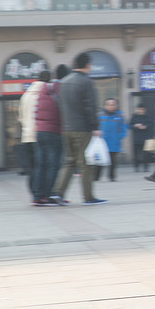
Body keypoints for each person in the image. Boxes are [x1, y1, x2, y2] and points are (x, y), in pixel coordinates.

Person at [52, 52, 107, 205]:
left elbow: (59, 104)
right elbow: (89, 107)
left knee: (69, 161)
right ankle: (88, 197)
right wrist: (95, 126)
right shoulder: (86, 82)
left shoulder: (64, 82)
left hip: (66, 128)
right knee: (85, 163)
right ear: (88, 65)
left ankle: (58, 192)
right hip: (82, 128)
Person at [31, 70, 63, 206]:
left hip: (40, 131)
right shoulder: (59, 89)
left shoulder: (41, 91)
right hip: (53, 131)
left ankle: (38, 196)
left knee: (40, 165)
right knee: (52, 165)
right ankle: (49, 195)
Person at [17, 75, 44, 187]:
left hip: (26, 137)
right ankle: (39, 194)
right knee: (40, 167)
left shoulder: (25, 96)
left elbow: (20, 117)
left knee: (31, 168)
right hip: (38, 135)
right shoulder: (42, 95)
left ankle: (34, 194)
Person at [96, 98, 126, 181]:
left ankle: (111, 176)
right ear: (105, 106)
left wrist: (120, 136)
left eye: (113, 104)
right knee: (99, 161)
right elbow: (95, 127)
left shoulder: (119, 116)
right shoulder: (99, 115)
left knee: (113, 161)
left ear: (116, 106)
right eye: (109, 104)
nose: (111, 106)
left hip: (114, 141)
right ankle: (96, 176)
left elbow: (123, 128)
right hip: (101, 142)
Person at [130, 104, 154, 173]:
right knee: (136, 154)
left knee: (146, 154)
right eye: (139, 109)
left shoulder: (148, 117)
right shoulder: (134, 117)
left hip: (145, 138)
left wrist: (145, 126)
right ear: (137, 110)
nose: (141, 111)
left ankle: (145, 167)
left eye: (142, 109)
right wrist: (136, 126)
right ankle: (136, 166)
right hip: (136, 139)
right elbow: (130, 126)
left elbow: (151, 125)